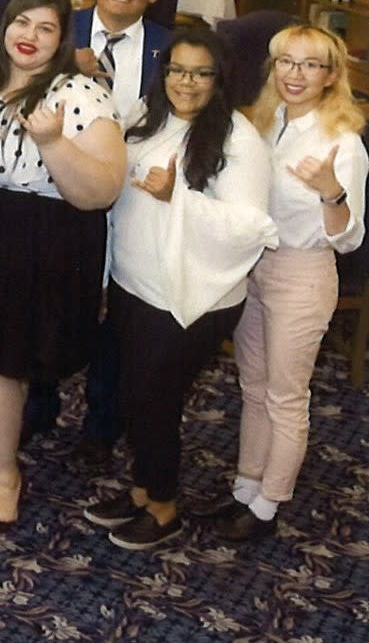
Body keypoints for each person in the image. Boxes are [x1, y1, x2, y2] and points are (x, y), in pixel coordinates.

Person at [0, 0, 127, 532]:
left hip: (42, 236)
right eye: (22, 23)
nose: (30, 37)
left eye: (46, 29)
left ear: (62, 40)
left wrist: (53, 142)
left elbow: (103, 190)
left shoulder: (80, 94)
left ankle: (3, 478)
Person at [82, 27, 276, 550]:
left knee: (157, 403)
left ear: (220, 79)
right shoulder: (149, 119)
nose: (186, 83)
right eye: (177, 70)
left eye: (200, 73)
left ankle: (164, 509)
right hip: (133, 284)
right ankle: (143, 491)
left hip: (190, 297)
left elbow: (250, 225)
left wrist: (179, 198)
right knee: (134, 396)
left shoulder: (237, 137)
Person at [194, 25, 366, 541]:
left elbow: (350, 240)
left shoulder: (343, 141)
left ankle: (269, 505)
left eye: (310, 64)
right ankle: (246, 489)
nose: (296, 74)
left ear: (331, 76)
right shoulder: (261, 125)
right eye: (286, 62)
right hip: (257, 266)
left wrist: (332, 194)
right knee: (252, 386)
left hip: (303, 272)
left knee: (286, 396)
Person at [27, 0, 173, 469]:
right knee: (50, 298)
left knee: (118, 313)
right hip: (61, 186)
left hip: (136, 194)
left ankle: (100, 424)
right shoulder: (58, 30)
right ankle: (38, 402)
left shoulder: (168, 49)